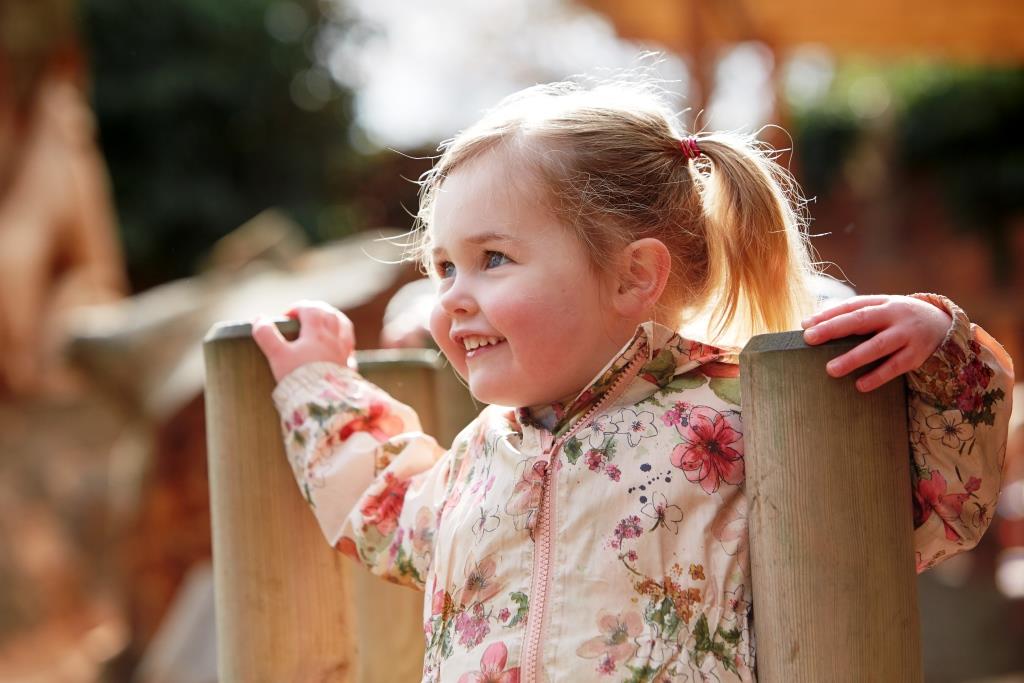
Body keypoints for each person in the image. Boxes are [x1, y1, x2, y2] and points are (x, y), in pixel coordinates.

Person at [250, 78, 1013, 681]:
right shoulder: (478, 460)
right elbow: (383, 505)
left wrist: (943, 350)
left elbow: (936, 507)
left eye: (492, 259)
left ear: (633, 276)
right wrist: (318, 383)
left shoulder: (742, 419)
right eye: (443, 266)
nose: (450, 296)